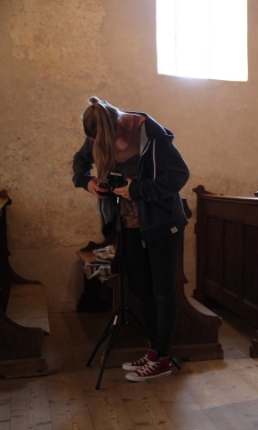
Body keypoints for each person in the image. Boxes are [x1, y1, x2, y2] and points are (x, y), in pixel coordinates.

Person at [73, 97, 190, 382]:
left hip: (161, 223)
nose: (101, 145)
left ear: (118, 125)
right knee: (140, 289)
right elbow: (80, 161)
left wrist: (138, 190)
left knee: (162, 289)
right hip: (126, 224)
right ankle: (153, 351)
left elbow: (179, 175)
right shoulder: (99, 131)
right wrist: (86, 181)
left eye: (105, 139)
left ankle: (163, 358)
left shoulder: (150, 133)